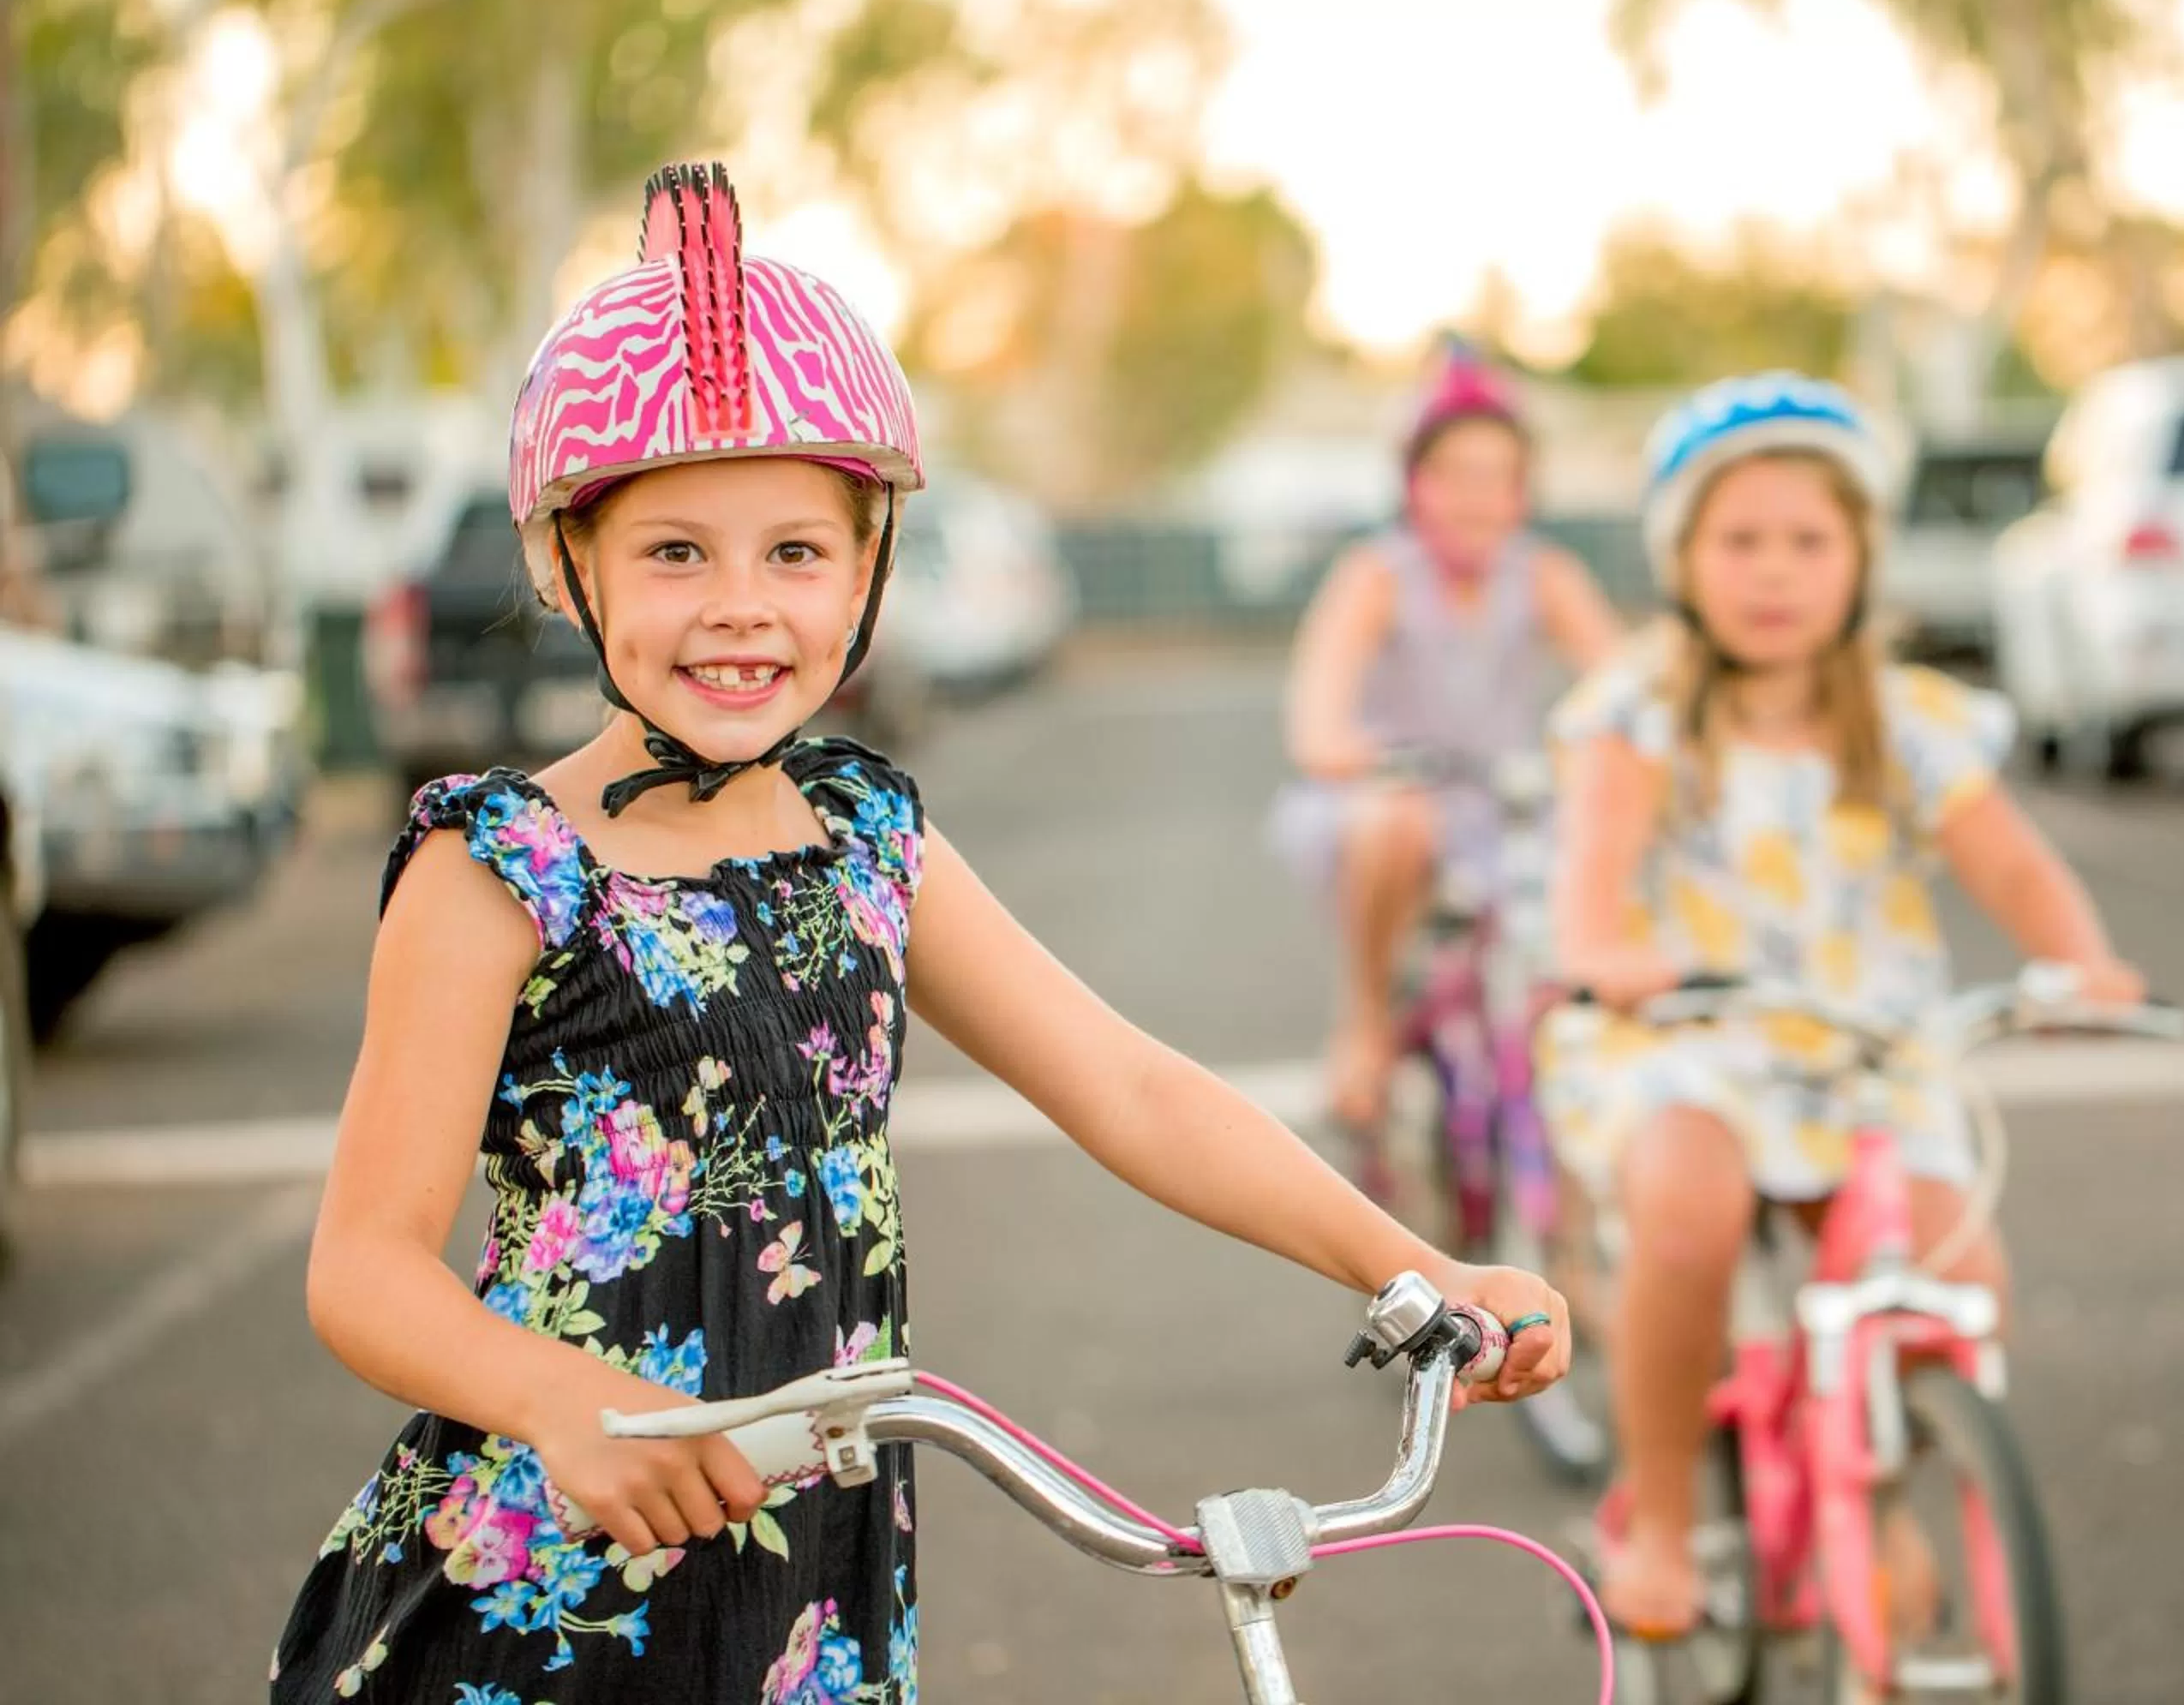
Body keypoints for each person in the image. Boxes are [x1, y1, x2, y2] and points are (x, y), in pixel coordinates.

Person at [272, 163, 1567, 1705]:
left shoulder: (867, 837)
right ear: (575, 565)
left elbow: (1130, 1087)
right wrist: (558, 1401)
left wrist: (1420, 1271)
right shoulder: (503, 867)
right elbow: (364, 1265)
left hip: (810, 1580)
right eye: (676, 551)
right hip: (544, 1588)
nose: (741, 607)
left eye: (796, 554)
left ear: (870, 574)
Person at [1537, 372, 2146, 1637]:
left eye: (1809, 542)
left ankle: (1879, 1489)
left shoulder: (1913, 720)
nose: (1776, 573)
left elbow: (2016, 866)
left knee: (1954, 1276)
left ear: (1861, 557)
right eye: (1740, 542)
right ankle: (1656, 1515)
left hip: (1867, 1054)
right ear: (1682, 563)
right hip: (1686, 1040)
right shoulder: (1638, 710)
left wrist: (2080, 959)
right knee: (1691, 1213)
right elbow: (1591, 875)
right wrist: (1603, 949)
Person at [1271, 337, 1623, 1143]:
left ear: (1523, 495)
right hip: (1399, 801)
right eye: (1454, 477)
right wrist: (1349, 749)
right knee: (1396, 817)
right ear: (1415, 487)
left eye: (1497, 480)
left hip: (1510, 805)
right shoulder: (1377, 575)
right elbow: (1317, 716)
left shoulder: (1546, 576)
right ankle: (1364, 1022)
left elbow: (1622, 689)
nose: (1476, 499)